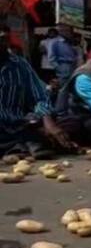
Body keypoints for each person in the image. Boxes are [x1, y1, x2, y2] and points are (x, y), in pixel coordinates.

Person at [0, 25, 74, 158]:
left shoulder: (20, 65)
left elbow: (39, 96)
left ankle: (21, 144)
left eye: (4, 38)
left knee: (65, 124)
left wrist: (48, 121)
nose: (2, 42)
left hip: (17, 125)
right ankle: (18, 146)